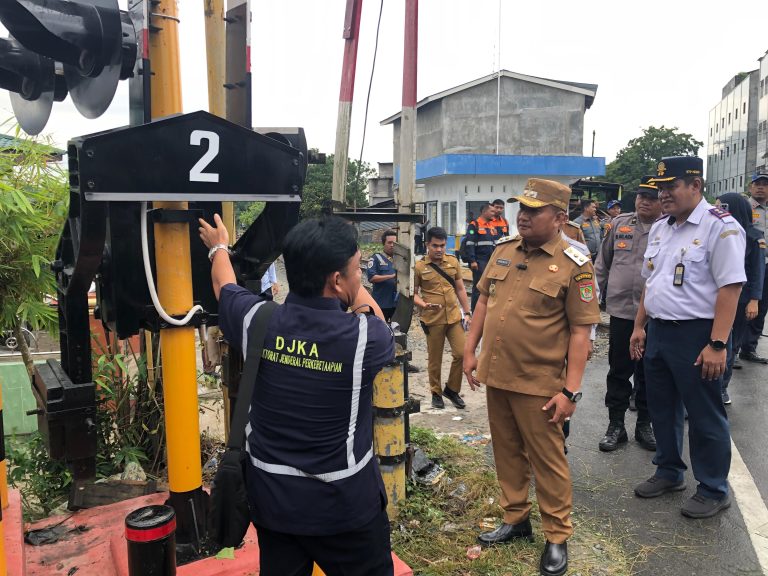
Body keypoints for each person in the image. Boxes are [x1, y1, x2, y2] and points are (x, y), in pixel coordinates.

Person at [198, 214, 395, 575]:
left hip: (274, 505)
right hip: (345, 510)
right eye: (356, 269)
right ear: (336, 281)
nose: (360, 276)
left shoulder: (257, 319)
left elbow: (223, 285)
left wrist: (219, 247)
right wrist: (354, 292)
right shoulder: (363, 339)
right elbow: (374, 315)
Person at [464, 178, 600, 576]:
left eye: (533, 210)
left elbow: (580, 331)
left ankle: (557, 536)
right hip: (498, 374)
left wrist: (570, 391)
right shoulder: (504, 252)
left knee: (548, 460)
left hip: (539, 383)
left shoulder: (575, 264)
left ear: (559, 217)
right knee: (506, 450)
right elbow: (484, 300)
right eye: (520, 208)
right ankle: (516, 517)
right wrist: (470, 351)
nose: (522, 216)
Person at [630, 156, 745, 519]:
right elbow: (653, 282)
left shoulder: (720, 227)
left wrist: (718, 344)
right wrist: (639, 325)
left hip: (698, 335)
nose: (663, 195)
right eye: (660, 188)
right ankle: (669, 472)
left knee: (703, 414)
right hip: (659, 330)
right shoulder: (663, 228)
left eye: (671, 187)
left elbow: (731, 287)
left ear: (696, 186)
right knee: (661, 407)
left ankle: (713, 488)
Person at [594, 176, 661, 452]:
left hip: (655, 315)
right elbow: (602, 264)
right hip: (621, 312)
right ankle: (616, 425)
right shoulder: (620, 224)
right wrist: (591, 300)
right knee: (619, 370)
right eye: (641, 195)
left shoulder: (668, 228)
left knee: (649, 372)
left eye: (651, 197)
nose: (644, 200)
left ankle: (645, 424)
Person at [414, 226, 472, 410]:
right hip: (433, 319)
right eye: (435, 246)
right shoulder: (419, 266)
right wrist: (423, 305)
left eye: (442, 245)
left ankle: (452, 390)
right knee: (435, 359)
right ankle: (436, 393)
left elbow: (460, 289)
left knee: (461, 353)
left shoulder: (453, 262)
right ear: (427, 245)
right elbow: (412, 294)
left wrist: (467, 312)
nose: (439, 249)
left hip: (454, 317)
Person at [717, 193, 765, 404]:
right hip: (719, 296)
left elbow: (757, 270)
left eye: (721, 207)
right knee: (717, 342)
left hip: (742, 298)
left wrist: (754, 299)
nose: (716, 210)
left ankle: (722, 388)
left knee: (731, 345)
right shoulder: (718, 232)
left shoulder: (754, 236)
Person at [742, 172, 768, 363]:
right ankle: (733, 348)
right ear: (751, 187)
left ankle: (749, 348)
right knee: (743, 305)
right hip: (748, 265)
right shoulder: (745, 207)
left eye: (764, 184)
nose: (760, 187)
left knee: (762, 307)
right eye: (757, 184)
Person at [465, 203, 499, 311]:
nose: (495, 213)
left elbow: (495, 244)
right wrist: (472, 261)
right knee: (479, 287)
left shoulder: (491, 226)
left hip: (490, 260)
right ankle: (475, 311)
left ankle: (485, 310)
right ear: (484, 212)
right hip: (480, 261)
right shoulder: (474, 225)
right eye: (492, 211)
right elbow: (469, 243)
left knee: (490, 286)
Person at [367, 230, 399, 322]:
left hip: (396, 305)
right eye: (389, 243)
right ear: (383, 244)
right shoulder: (376, 258)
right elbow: (371, 278)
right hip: (381, 303)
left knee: (396, 331)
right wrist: (391, 276)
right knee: (380, 330)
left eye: (395, 243)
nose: (392, 245)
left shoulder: (400, 259)